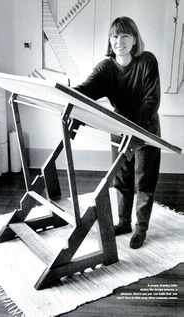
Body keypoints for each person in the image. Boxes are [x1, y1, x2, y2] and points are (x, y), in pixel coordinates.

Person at [74, 16, 161, 249]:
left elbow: (151, 102)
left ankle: (140, 230)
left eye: (124, 36)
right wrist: (64, 93)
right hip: (119, 131)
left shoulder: (147, 61)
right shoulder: (105, 67)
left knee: (144, 182)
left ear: (134, 40)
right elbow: (85, 90)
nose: (118, 41)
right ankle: (123, 223)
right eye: (114, 36)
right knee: (122, 181)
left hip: (146, 131)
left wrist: (133, 129)